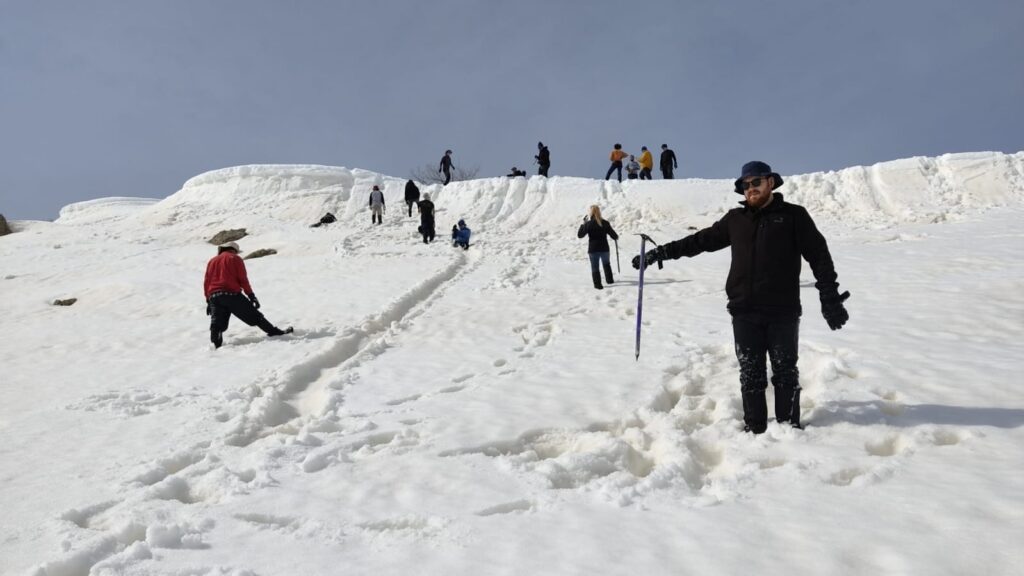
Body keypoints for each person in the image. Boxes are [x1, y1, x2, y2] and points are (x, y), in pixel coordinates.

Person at [632, 161, 850, 433]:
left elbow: (818, 255)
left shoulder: (794, 216)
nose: (750, 189)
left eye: (756, 182)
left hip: (782, 310)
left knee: (785, 372)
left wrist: (829, 296)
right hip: (744, 311)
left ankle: (789, 429)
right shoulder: (735, 220)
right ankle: (755, 429)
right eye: (745, 185)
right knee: (751, 374)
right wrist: (659, 253)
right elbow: (699, 241)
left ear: (770, 182)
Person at [204, 242, 292, 349]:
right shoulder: (235, 258)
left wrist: (208, 300)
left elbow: (207, 282)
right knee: (254, 316)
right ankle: (274, 332)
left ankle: (216, 345)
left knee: (217, 323)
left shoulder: (212, 261)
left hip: (214, 296)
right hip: (231, 294)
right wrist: (251, 295)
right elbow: (243, 279)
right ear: (234, 250)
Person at [578, 205, 619, 290]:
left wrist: (583, 224)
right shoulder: (605, 223)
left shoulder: (588, 224)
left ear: (591, 213)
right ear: (599, 212)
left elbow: (580, 235)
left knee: (595, 267)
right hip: (604, 248)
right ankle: (610, 280)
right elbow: (614, 236)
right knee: (606, 264)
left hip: (593, 249)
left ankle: (598, 285)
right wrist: (614, 236)